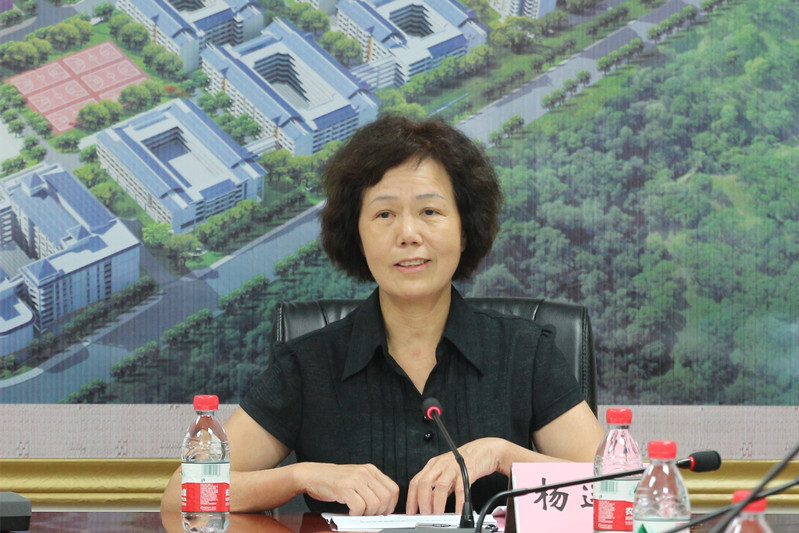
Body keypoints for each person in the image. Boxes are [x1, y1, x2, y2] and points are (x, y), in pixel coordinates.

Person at [161, 114, 604, 517]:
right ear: (356, 234)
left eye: (430, 212)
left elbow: (618, 492)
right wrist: (300, 476)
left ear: (465, 230)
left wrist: (503, 455)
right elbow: (184, 492)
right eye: (384, 214)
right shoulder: (309, 366)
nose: (408, 234)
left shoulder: (525, 353)